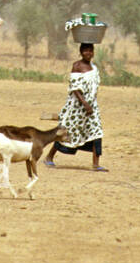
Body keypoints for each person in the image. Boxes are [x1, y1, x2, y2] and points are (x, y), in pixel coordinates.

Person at [44, 42, 106, 171]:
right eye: (86, 51)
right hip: (77, 107)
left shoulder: (94, 68)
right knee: (67, 132)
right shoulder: (77, 66)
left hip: (91, 107)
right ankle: (49, 157)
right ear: (81, 52)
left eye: (91, 50)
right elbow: (75, 88)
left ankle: (96, 164)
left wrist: (91, 105)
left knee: (96, 132)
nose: (88, 53)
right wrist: (85, 104)